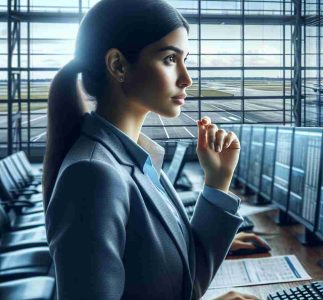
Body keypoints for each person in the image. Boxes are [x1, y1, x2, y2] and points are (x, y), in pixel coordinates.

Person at [42, 0, 259, 299]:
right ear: (118, 65)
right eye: (170, 59)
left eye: (185, 60)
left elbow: (186, 283)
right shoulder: (92, 175)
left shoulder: (136, 159)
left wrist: (217, 183)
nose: (187, 78)